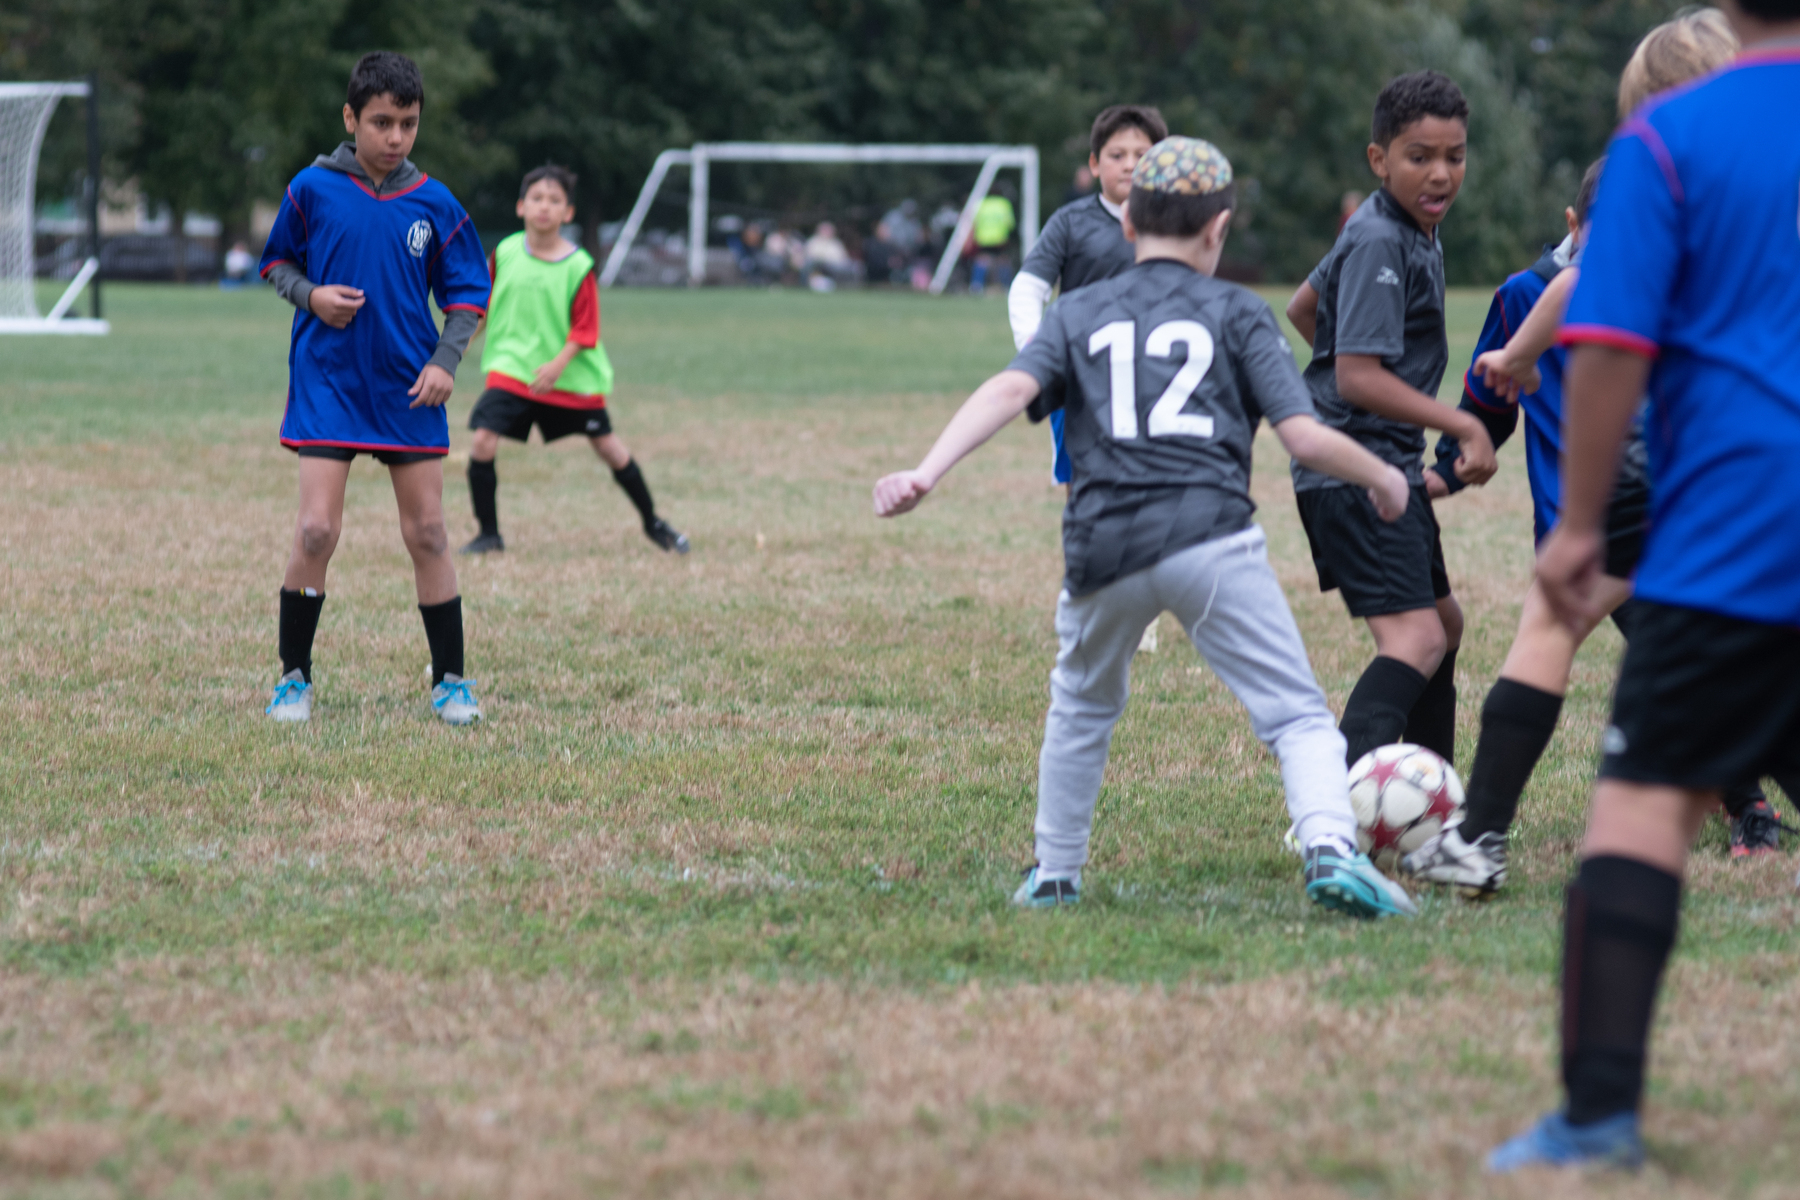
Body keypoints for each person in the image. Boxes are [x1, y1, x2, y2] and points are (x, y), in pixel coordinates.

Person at [873, 137, 1418, 920]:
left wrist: (927, 470)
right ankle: (1330, 846)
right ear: (1218, 230)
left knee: (1082, 708)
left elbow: (1005, 390)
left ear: (1128, 229)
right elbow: (1302, 434)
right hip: (1211, 540)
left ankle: (1056, 875)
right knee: (1296, 714)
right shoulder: (1238, 311)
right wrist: (1382, 474)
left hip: (1104, 546)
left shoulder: (1080, 310)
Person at [1486, 0, 1800, 1171]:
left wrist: (1574, 528)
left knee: (1643, 808)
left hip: (1733, 523)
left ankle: (1599, 1117)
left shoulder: (1668, 140)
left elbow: (1608, 339)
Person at [1404, 9, 1785, 898]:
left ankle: (1481, 836)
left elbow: (1585, 279)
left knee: (1555, 621)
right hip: (1754, 465)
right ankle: (1750, 811)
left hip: (1659, 466)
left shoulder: (1666, 165)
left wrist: (1521, 357)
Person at [257, 51, 489, 727]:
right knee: (316, 528)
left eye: (408, 124)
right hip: (329, 382)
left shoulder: (434, 200)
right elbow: (276, 260)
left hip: (408, 389)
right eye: (382, 122)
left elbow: (469, 292)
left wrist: (446, 360)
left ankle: (450, 682)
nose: (395, 138)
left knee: (430, 533)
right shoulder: (311, 188)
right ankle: (292, 679)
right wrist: (311, 295)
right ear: (350, 118)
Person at [1283, 71, 1495, 771]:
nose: (1440, 174)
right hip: (1357, 468)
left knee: (1444, 626)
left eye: (1454, 157)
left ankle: (1431, 806)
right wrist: (1462, 426)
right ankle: (1331, 815)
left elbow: (1304, 306)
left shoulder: (1401, 226)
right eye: (1418, 157)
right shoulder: (1380, 238)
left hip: (1382, 463)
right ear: (1380, 160)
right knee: (1417, 642)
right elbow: (1357, 376)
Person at [460, 164, 688, 559]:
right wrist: (456, 345)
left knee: (609, 447)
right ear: (520, 207)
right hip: (514, 370)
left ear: (568, 214)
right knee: (482, 439)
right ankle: (489, 535)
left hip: (568, 377)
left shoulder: (578, 265)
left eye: (554, 200)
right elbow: (482, 306)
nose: (544, 207)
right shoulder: (506, 252)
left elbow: (586, 329)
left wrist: (557, 366)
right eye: (536, 199)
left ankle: (653, 522)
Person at [1010, 104, 1168, 489]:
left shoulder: (1176, 226)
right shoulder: (1070, 222)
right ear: (1095, 165)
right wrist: (1037, 351)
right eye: (1117, 156)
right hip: (1082, 379)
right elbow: (1027, 288)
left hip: (1154, 376)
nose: (1130, 165)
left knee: (1155, 482)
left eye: (1142, 156)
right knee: (1083, 484)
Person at [967, 190, 1015, 294]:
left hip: (983, 238)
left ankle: (976, 286)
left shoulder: (980, 203)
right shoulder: (1003, 204)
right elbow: (1010, 223)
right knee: (1003, 261)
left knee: (982, 261)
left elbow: (974, 222)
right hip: (1000, 238)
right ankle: (1007, 286)